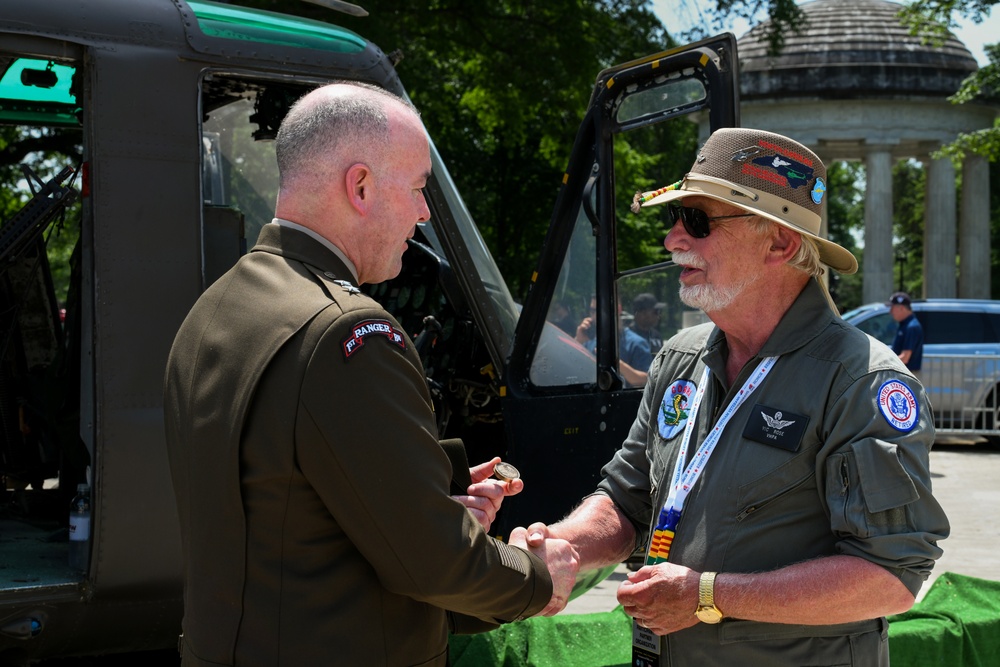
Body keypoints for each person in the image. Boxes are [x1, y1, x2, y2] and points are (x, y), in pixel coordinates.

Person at [163, 82, 578, 667]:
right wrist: (537, 577)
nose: (424, 212)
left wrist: (428, 491)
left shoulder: (211, 311)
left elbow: (287, 510)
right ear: (359, 186)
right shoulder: (345, 331)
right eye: (415, 188)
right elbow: (432, 562)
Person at [513, 128, 949, 666]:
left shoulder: (861, 380)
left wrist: (707, 595)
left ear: (781, 243)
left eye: (697, 220)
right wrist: (564, 548)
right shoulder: (680, 357)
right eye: (673, 220)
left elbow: (889, 578)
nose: (673, 240)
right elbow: (628, 500)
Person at [889, 291, 924, 375]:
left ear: (901, 308)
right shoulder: (905, 325)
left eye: (892, 308)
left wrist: (884, 363)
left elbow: (905, 357)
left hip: (908, 375)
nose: (890, 312)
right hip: (905, 373)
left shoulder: (912, 326)